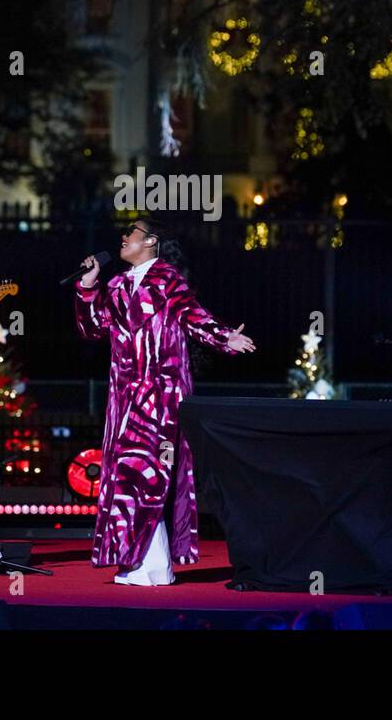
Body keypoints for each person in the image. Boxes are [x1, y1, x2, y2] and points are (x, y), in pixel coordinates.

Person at [74, 216, 255, 586]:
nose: (123, 238)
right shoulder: (119, 284)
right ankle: (144, 563)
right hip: (125, 397)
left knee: (150, 474)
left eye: (132, 233)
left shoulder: (166, 279)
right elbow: (92, 328)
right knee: (127, 477)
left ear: (151, 241)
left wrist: (224, 338)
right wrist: (88, 286)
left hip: (160, 392)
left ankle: (153, 564)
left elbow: (193, 317)